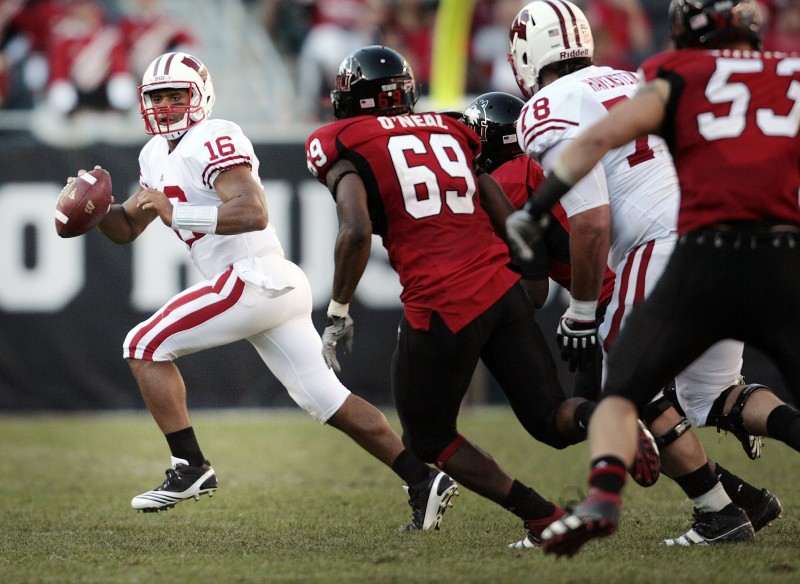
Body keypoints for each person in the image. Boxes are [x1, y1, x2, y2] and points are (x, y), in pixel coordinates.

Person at [70, 51, 458, 532]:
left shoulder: (212, 135)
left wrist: (179, 214)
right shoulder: (155, 154)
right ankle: (422, 480)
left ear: (201, 96)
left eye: (176, 95)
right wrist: (97, 209)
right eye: (157, 97)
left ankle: (192, 467)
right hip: (269, 286)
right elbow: (128, 226)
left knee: (143, 344)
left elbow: (253, 211)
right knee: (327, 399)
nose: (167, 106)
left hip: (253, 275)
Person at [305, 44, 659, 548]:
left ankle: (542, 515)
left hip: (442, 303)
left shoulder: (337, 140)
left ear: (352, 99)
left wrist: (338, 310)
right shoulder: (449, 125)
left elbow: (355, 231)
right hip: (502, 288)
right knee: (552, 418)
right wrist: (523, 262)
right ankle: (605, 418)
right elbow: (494, 198)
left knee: (426, 437)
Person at [504, 0, 800, 555]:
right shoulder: (633, 75)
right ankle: (739, 505)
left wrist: (582, 311)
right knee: (713, 394)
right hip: (732, 231)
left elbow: (591, 221)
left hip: (663, 243)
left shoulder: (552, 103)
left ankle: (708, 512)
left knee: (627, 372)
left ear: (525, 55)